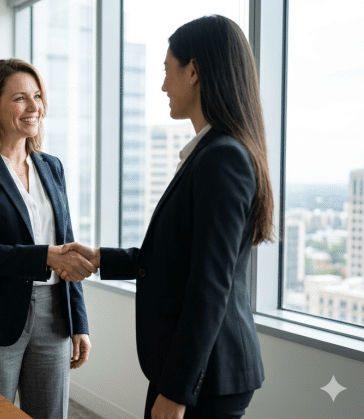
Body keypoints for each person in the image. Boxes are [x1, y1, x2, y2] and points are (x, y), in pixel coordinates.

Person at [59, 15, 273, 419]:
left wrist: (176, 393)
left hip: (204, 377)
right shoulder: (210, 153)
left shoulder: (222, 158)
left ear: (193, 71)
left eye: (166, 70)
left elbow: (209, 286)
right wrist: (102, 257)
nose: (161, 85)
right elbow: (178, 258)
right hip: (192, 370)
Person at [0, 58, 95, 419]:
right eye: (20, 99)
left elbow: (67, 244)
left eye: (38, 96)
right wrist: (45, 257)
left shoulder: (51, 166)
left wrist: (79, 322)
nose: (34, 107)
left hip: (54, 316)